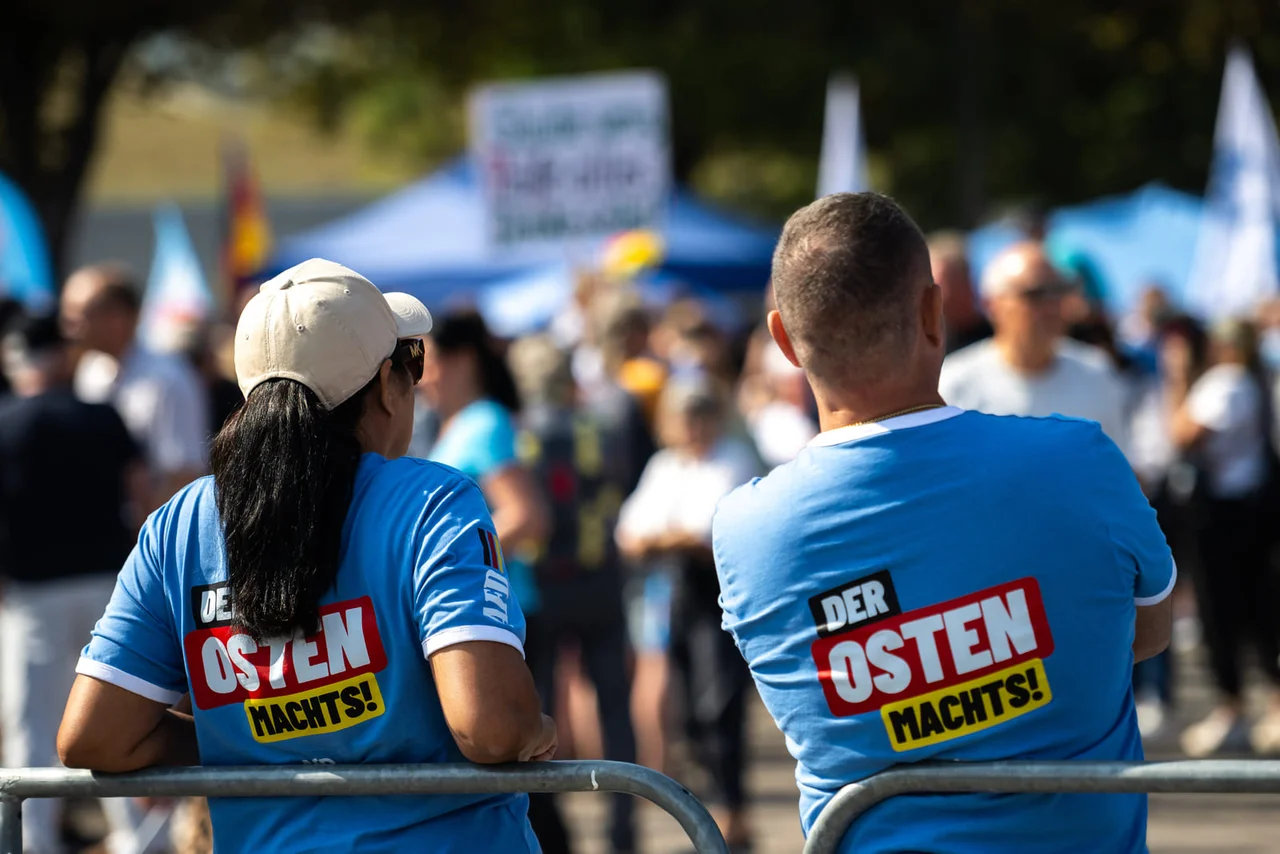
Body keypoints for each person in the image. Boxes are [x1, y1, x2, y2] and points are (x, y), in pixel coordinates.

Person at [714, 193, 1173, 853]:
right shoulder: (1080, 458)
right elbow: (1146, 630)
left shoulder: (746, 531)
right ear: (935, 311)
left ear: (783, 339)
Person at [58, 259, 556, 852]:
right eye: (410, 363)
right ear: (383, 386)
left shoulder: (179, 525)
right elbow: (493, 729)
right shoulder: (433, 502)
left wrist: (254, 739)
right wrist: (536, 727)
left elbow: (96, 737)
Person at [0, 314, 146, 854]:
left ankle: (31, 841)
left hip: (34, 593)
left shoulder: (7, 421)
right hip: (110, 586)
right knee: (124, 717)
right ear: (61, 359)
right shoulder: (102, 416)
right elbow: (139, 492)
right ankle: (138, 837)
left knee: (34, 722)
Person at [509, 335, 645, 854]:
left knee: (538, 713)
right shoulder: (601, 426)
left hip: (543, 590)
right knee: (615, 707)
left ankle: (548, 827)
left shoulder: (522, 436)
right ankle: (623, 826)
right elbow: (619, 491)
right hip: (601, 580)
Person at [617, 377, 761, 849]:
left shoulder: (732, 459)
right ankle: (715, 806)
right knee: (691, 710)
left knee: (718, 703)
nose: (693, 425)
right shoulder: (666, 465)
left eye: (700, 415)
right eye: (684, 416)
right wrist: (667, 537)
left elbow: (704, 532)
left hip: (715, 595)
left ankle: (732, 806)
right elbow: (631, 529)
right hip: (676, 593)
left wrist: (663, 537)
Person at [1169, 318, 1280, 757]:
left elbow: (1184, 435)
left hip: (1223, 514)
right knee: (1256, 610)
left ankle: (1235, 706)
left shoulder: (1228, 381)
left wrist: (1176, 379)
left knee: (1225, 614)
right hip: (1246, 510)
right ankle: (1257, 702)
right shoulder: (1253, 380)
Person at [939, 242, 1129, 451]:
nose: (1051, 306)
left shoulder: (1095, 372)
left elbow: (1115, 467)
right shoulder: (955, 384)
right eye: (1035, 294)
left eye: (1058, 291)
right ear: (992, 304)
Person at [60, 264, 210, 507]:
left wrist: (145, 537)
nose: (69, 328)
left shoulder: (167, 379)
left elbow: (182, 476)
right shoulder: (91, 371)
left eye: (80, 314)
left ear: (118, 318)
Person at [926, 230, 992, 353]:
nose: (939, 293)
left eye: (943, 282)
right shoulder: (930, 344)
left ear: (966, 281)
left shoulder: (997, 333)